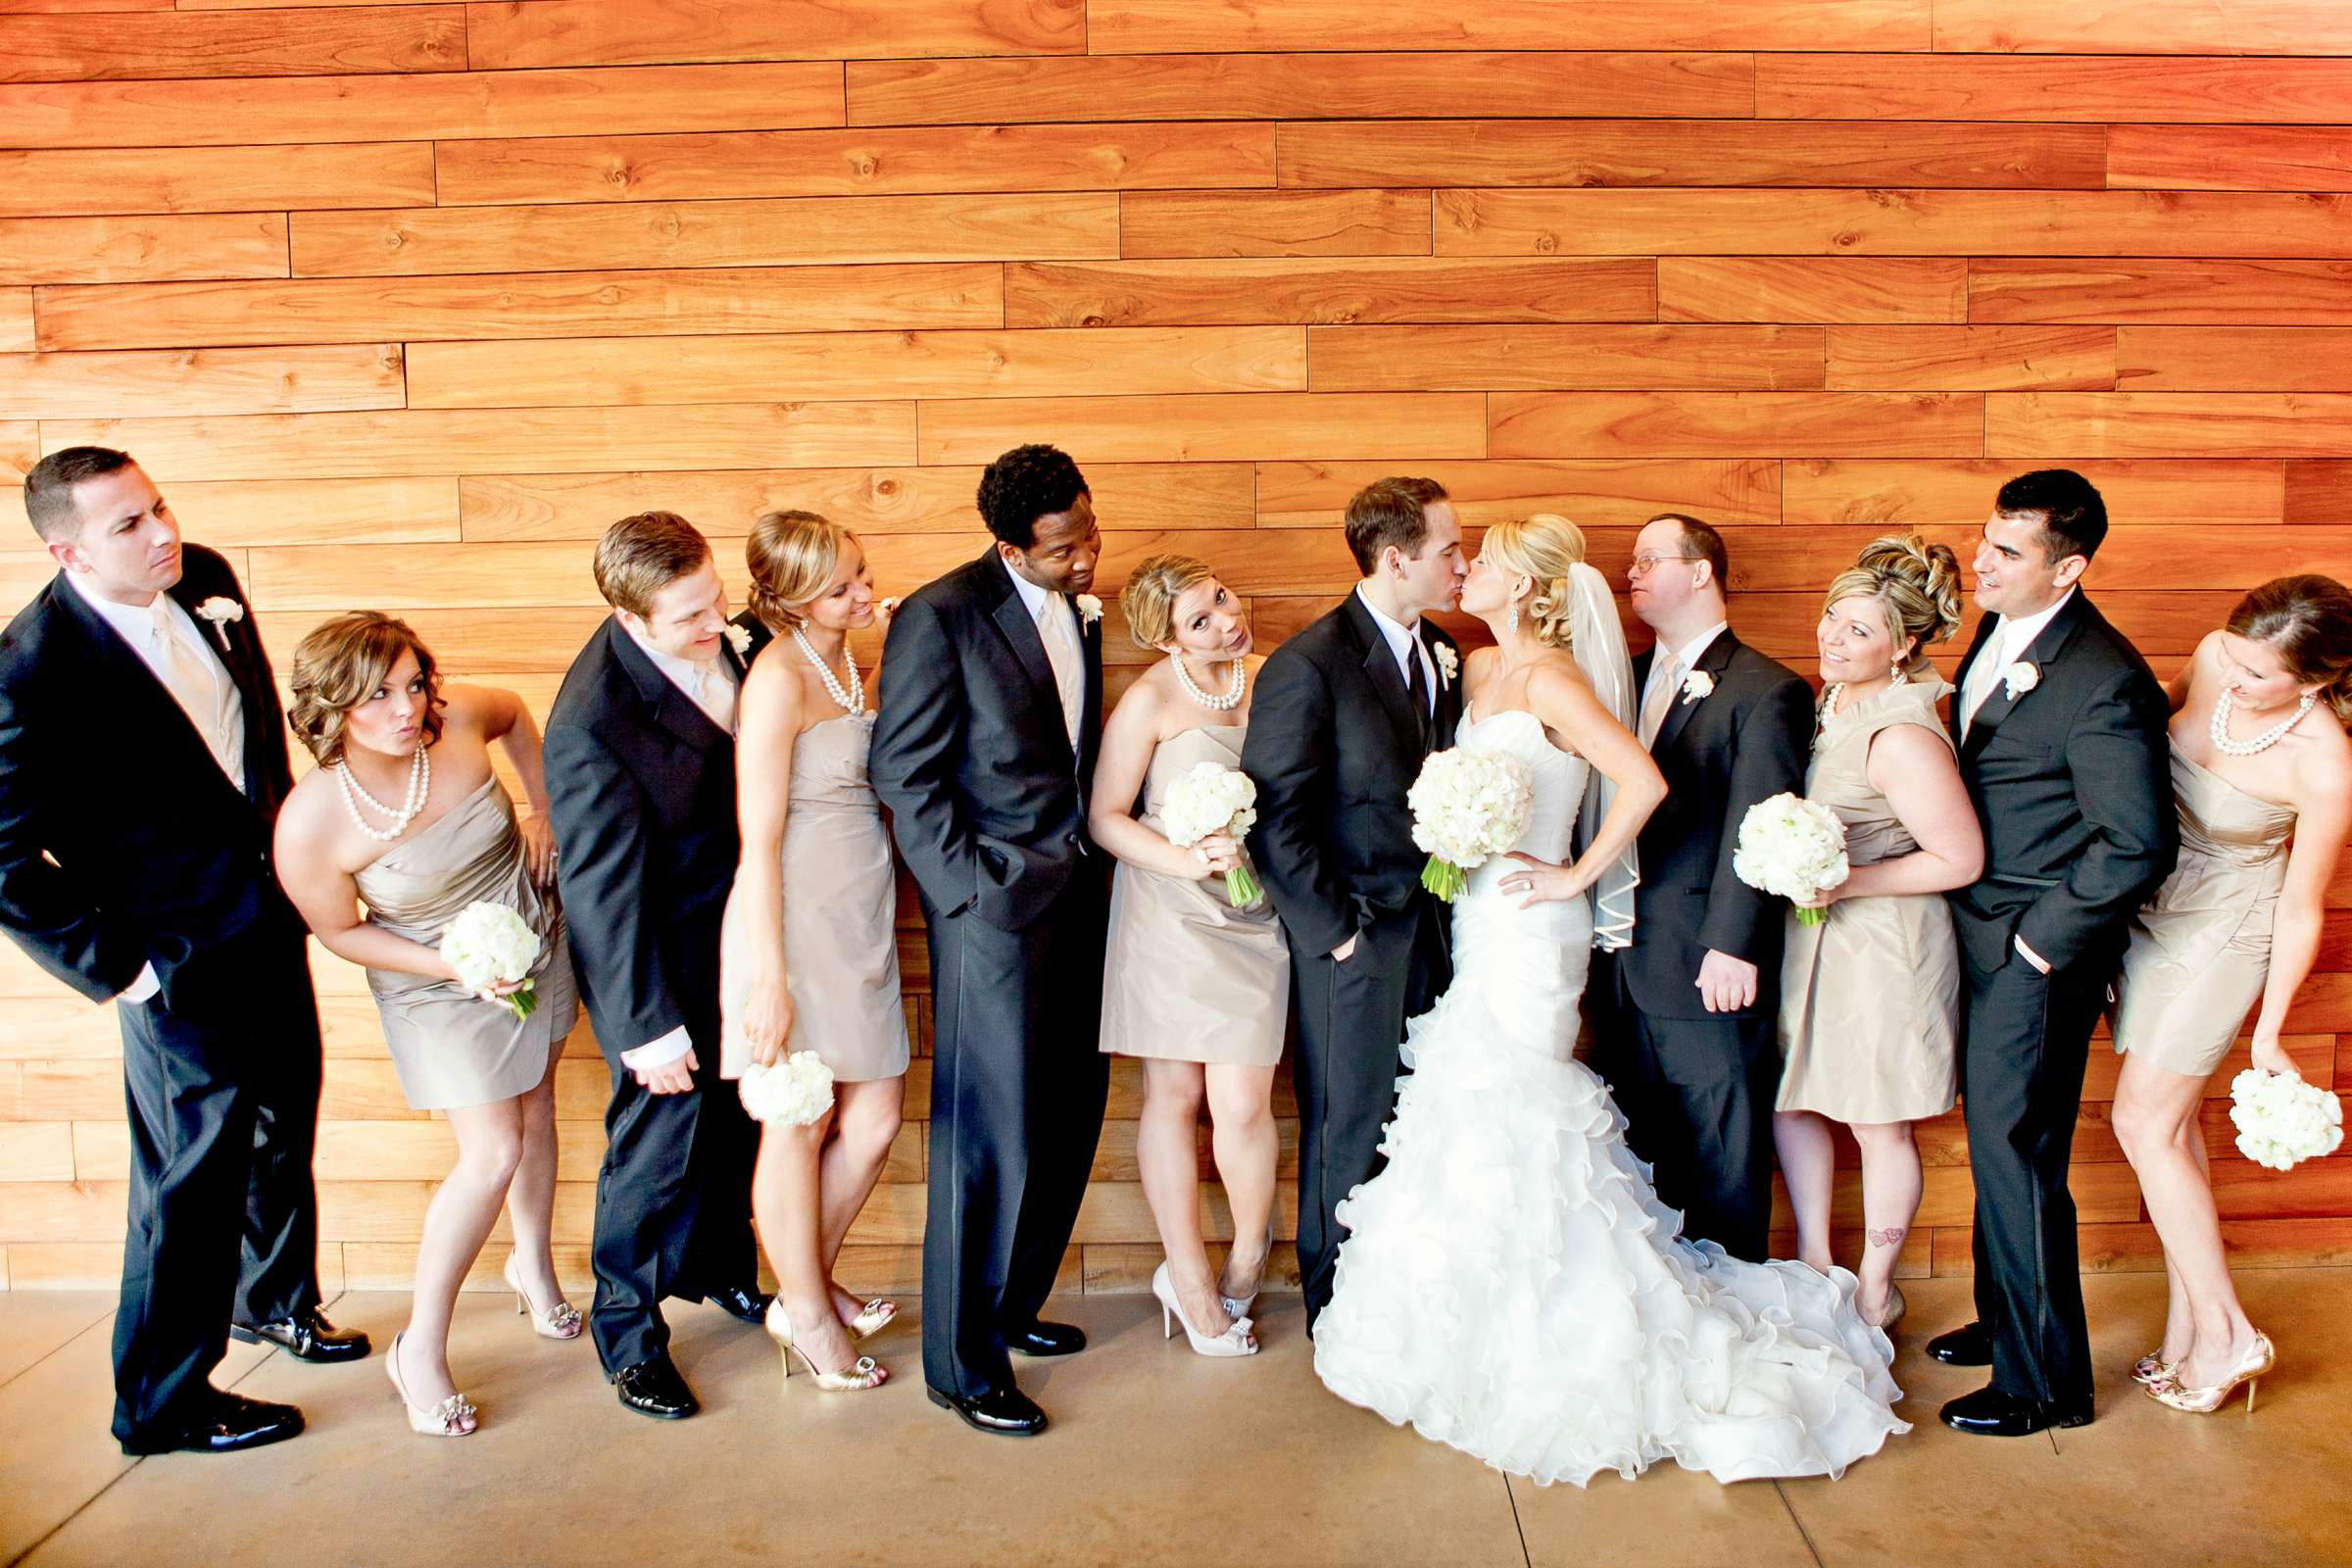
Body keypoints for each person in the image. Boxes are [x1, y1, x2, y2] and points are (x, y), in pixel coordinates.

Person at [1313, 514, 1908, 1486]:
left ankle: (1565, 1327)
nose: (1465, 571)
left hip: (1533, 926)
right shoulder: (1475, 671)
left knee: (1523, 1108)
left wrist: (1575, 874)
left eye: (1484, 563)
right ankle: (1475, 1318)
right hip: (1478, 920)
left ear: (1528, 585)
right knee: (1466, 1104)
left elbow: (1641, 778)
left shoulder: (1553, 675)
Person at [0, 446, 361, 1456]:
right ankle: (161, 1403)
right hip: (171, 961)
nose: (163, 532)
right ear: (68, 550)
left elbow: (252, 745)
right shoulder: (30, 667)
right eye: (129, 525)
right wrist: (122, 967)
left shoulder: (202, 579)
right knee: (187, 1180)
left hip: (269, 913)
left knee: (287, 1115)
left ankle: (275, 1301)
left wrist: (301, 855)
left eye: (158, 506)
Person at [273, 614, 579, 1437]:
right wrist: (459, 968)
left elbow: (516, 712)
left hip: (533, 930)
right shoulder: (309, 822)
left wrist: (543, 806)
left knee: (538, 1109)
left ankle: (536, 1273)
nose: (407, 709)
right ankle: (421, 1348)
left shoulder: (460, 719)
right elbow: (340, 930)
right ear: (332, 708)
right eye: (377, 696)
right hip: (433, 983)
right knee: (492, 1151)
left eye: (413, 683)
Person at [869, 444, 1111, 1438]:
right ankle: (961, 1364)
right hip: (993, 917)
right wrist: (970, 894)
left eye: (1090, 534)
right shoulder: (941, 615)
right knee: (988, 1136)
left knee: (1066, 1111)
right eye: (1064, 551)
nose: (1087, 560)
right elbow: (904, 773)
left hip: (1082, 899)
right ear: (1011, 545)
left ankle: (1012, 1308)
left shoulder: (1079, 607)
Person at [1930, 469, 2177, 1439]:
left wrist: (2039, 945)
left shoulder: (2104, 679)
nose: (1982, 562)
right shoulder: (2002, 628)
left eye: (2009, 552)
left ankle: (2045, 1386)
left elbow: (2137, 842)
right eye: (1985, 539)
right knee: (1998, 1142)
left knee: (2019, 1150)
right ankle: (2003, 1320)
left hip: (2034, 953)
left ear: (2068, 569)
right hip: (1980, 929)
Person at [544, 511, 771, 1422]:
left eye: (714, 601)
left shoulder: (730, 634)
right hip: (661, 956)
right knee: (654, 1145)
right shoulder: (591, 721)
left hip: (745, 934)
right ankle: (628, 1335)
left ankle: (722, 1269)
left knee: (735, 1121)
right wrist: (641, 1027)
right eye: (688, 618)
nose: (715, 624)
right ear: (631, 619)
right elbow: (601, 892)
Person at [2110, 575, 2352, 1415]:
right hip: (2149, 910)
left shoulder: (2324, 762)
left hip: (2229, 930)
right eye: (2235, 658)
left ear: (2315, 683)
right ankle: (2184, 1333)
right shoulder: (2216, 656)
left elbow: (2300, 905)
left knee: (2140, 1121)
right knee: (2172, 1125)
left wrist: (2272, 1031)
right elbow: (2140, 741)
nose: (2234, 678)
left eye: (2258, 675)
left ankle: (2227, 1333)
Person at [1241, 476, 1465, 1334]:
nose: (1460, 562)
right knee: (1349, 1123)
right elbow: (1274, 816)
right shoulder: (1311, 663)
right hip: (1356, 938)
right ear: (1396, 558)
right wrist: (1335, 936)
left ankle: (1403, 1290)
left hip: (1436, 932)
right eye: (1448, 549)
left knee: (1418, 1114)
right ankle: (1335, 1304)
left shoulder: (1440, 649)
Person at [718, 512, 909, 1396]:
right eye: (841, 588)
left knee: (872, 1120)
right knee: (799, 1126)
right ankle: (811, 1314)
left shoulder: (847, 662)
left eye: (862, 573)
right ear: (791, 601)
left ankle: (801, 1296)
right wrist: (767, 978)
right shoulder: (777, 681)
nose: (863, 592)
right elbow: (756, 842)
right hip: (790, 928)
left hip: (859, 922)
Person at [1772, 538, 1983, 1333]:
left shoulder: (1900, 735)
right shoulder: (1837, 703)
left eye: (1859, 630)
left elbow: (1959, 859)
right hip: (1822, 937)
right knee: (1794, 1099)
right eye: (1833, 617)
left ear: (1905, 647)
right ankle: (1817, 1262)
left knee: (1875, 1117)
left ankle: (1873, 1287)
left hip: (1885, 946)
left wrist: (1843, 881)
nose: (1834, 637)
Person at [1597, 512, 1812, 1262]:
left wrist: (1733, 944)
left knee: (1721, 1147)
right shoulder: (1615, 679)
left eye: (1649, 558)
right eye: (1632, 560)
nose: (1632, 572)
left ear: (1699, 572)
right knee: (1639, 1149)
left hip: (1705, 960)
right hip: (1620, 962)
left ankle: (1735, 1314)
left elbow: (1759, 828)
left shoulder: (1765, 689)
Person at [1090, 555, 1288, 1357]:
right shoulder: (1149, 700)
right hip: (1171, 910)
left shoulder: (1275, 677)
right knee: (1172, 1094)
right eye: (1199, 620)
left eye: (1223, 599)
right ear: (1164, 637)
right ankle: (1189, 1279)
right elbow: (1106, 817)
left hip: (1255, 913)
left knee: (1242, 1102)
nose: (1225, 621)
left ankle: (1246, 1257)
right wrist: (1183, 858)